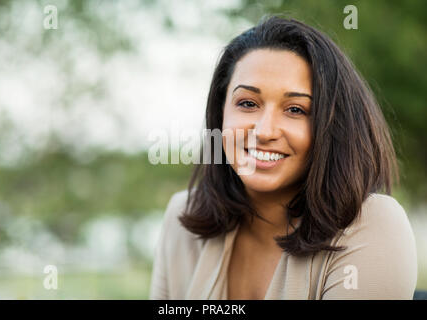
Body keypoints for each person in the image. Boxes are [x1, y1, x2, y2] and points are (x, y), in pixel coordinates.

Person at [149, 16, 417, 300]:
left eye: (296, 110)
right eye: (248, 103)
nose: (264, 132)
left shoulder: (372, 224)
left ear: (334, 127)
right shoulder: (182, 218)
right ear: (220, 114)